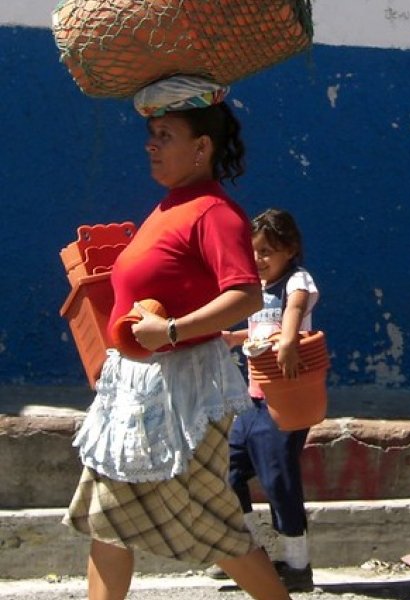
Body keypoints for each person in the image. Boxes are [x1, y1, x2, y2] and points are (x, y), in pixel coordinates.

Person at [62, 75, 296, 600]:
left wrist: (168, 330)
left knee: (207, 521)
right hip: (139, 389)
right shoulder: (169, 207)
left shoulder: (214, 213)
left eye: (165, 134)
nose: (151, 144)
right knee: (112, 517)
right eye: (152, 133)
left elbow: (245, 296)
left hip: (179, 396)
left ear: (202, 147)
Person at [207, 208, 319, 592]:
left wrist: (288, 339)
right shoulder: (258, 289)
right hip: (252, 401)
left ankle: (296, 563)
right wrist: (232, 338)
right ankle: (246, 550)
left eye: (267, 251)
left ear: (290, 249)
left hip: (284, 401)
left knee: (278, 478)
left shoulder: (297, 281)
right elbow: (259, 331)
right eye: (253, 252)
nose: (259, 259)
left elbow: (294, 310)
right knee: (225, 471)